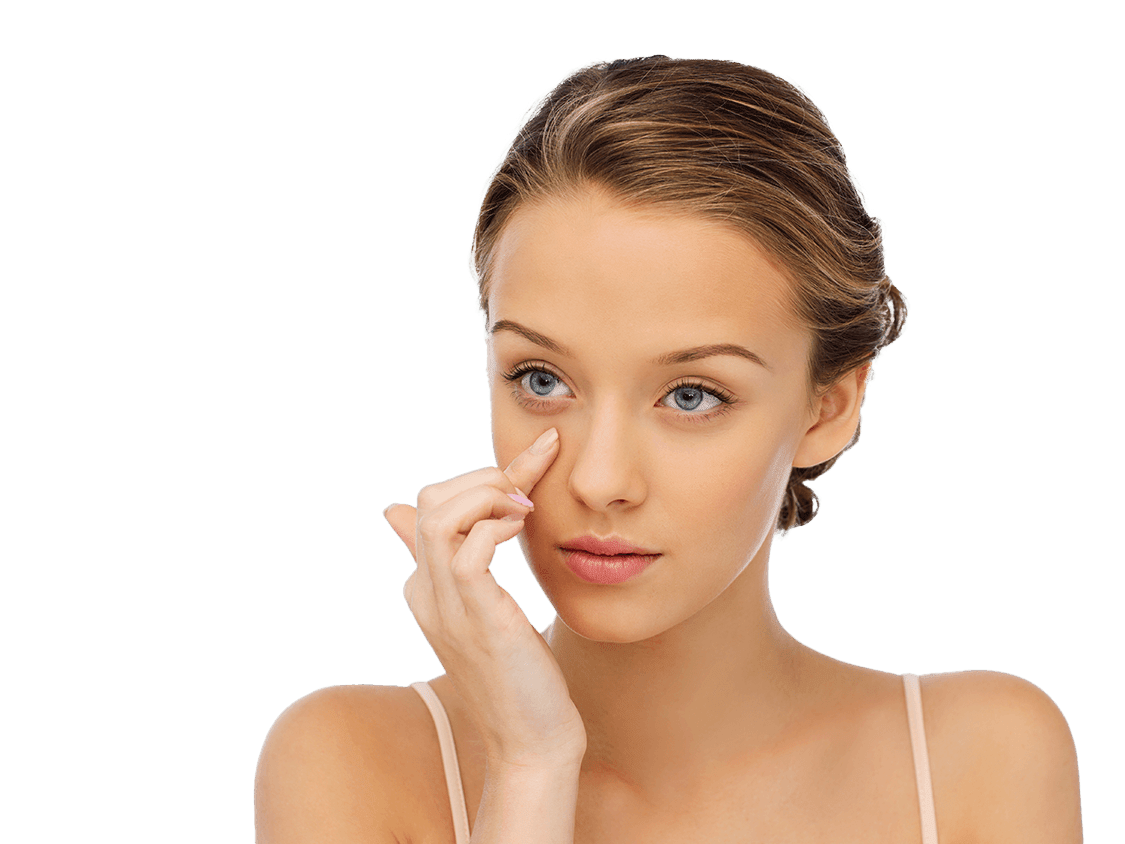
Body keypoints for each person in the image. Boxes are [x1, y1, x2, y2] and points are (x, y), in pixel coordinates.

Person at [254, 55, 1083, 843]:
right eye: (541, 379)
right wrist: (529, 766)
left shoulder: (978, 757)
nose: (599, 479)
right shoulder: (352, 758)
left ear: (826, 408)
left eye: (692, 396)